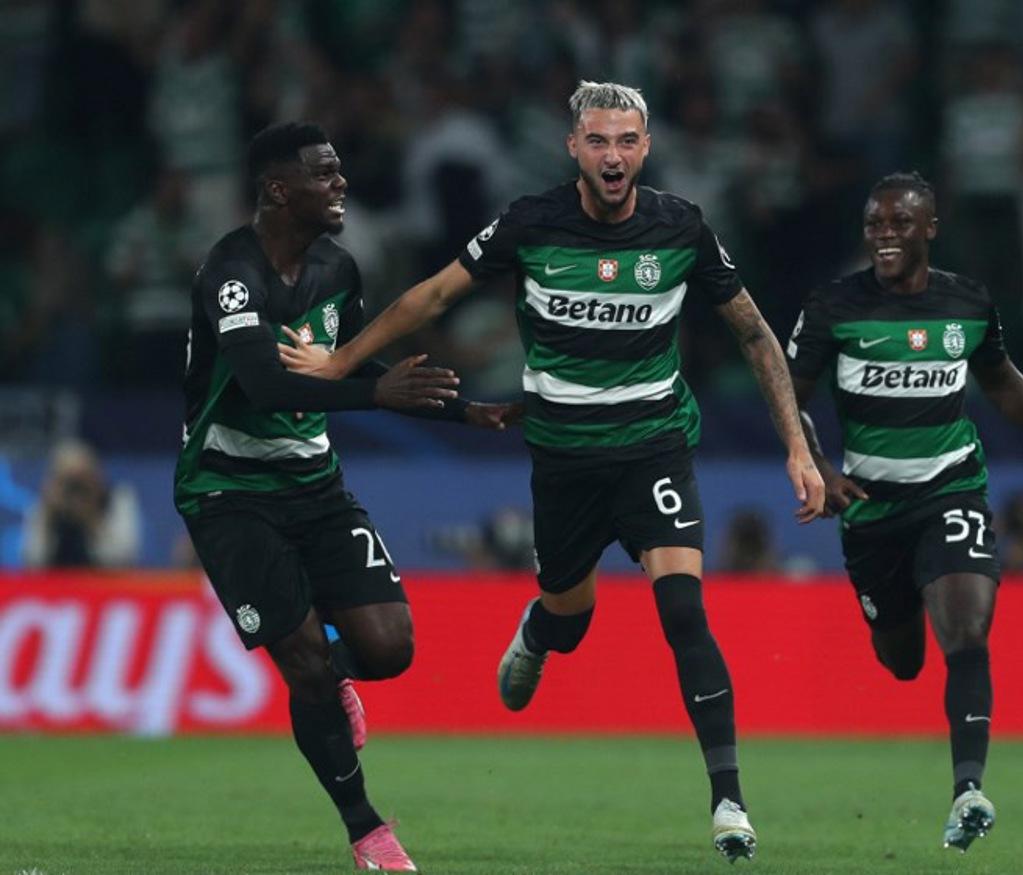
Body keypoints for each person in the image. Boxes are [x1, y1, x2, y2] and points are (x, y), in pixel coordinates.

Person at [280, 81, 826, 862]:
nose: (613, 156)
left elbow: (756, 334)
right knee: (570, 617)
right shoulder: (532, 223)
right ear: (573, 146)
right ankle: (540, 630)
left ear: (645, 148)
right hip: (566, 464)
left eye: (627, 141)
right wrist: (340, 363)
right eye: (598, 141)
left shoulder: (680, 228)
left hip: (653, 450)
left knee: (684, 613)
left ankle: (729, 800)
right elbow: (433, 295)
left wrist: (798, 450)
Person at [174, 121, 519, 872]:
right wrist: (377, 395)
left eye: (338, 171)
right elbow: (265, 385)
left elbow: (362, 359)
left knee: (389, 649)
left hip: (315, 484)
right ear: (277, 189)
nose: (341, 185)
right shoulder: (231, 274)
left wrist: (466, 411)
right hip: (229, 489)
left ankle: (334, 682)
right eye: (324, 175)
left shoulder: (337, 269)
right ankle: (366, 827)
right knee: (300, 662)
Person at [785, 172, 1023, 852]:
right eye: (875, 225)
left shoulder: (968, 302)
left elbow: (1001, 379)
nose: (885, 235)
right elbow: (790, 395)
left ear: (929, 228)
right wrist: (821, 469)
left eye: (899, 223)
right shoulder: (835, 305)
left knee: (967, 629)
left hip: (951, 488)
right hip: (869, 508)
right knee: (901, 659)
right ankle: (897, 632)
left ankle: (968, 791)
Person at [21, 439, 141, 568]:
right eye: (68, 481)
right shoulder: (45, 506)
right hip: (57, 584)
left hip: (104, 584)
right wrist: (48, 515)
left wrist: (91, 518)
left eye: (81, 480)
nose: (75, 489)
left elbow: (122, 560)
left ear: (97, 476)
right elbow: (33, 561)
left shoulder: (118, 501)